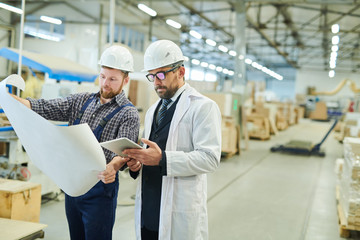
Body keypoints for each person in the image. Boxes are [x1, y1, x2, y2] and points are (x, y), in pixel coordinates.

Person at [11, 45, 140, 240]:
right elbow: (42, 107)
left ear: (126, 79)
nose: (106, 83)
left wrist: (114, 166)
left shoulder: (128, 113)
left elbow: (123, 152)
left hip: (100, 190)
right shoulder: (81, 101)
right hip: (72, 187)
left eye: (113, 79)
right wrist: (8, 99)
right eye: (103, 76)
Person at [123, 39, 222, 240]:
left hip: (178, 208)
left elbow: (210, 158)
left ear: (181, 72)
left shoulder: (202, 107)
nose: (157, 81)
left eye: (161, 74)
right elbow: (149, 152)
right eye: (152, 76)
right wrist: (137, 163)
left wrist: (163, 159)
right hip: (149, 206)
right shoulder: (153, 111)